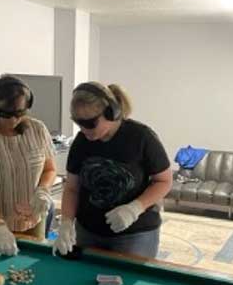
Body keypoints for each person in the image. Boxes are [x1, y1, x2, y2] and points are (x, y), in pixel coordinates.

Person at [53, 82, 172, 259]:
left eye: (90, 123)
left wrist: (134, 208)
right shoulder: (81, 142)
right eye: (79, 123)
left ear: (111, 113)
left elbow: (164, 181)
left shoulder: (141, 137)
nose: (84, 129)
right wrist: (66, 223)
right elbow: (72, 188)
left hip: (135, 235)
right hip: (88, 231)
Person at [0, 75, 57, 256]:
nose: (13, 120)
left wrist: (43, 190)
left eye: (19, 113)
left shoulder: (37, 129)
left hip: (31, 223)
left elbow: (50, 169)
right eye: (6, 114)